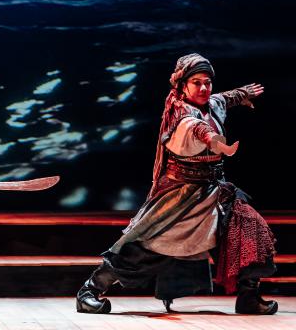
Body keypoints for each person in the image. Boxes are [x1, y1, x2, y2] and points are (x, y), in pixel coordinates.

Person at [76, 54, 277, 315]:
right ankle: (89, 291)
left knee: (249, 229)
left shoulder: (211, 104)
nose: (204, 88)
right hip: (182, 196)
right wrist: (220, 145)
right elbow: (201, 131)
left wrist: (242, 94)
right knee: (148, 247)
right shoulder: (181, 115)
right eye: (196, 83)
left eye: (207, 82)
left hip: (215, 191)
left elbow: (224, 98)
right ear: (183, 85)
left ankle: (248, 296)